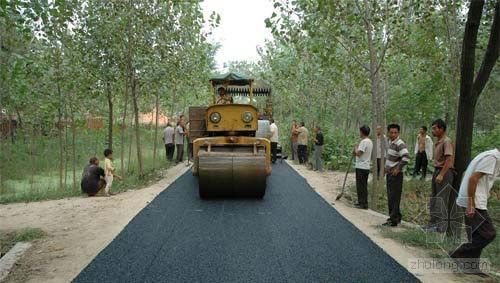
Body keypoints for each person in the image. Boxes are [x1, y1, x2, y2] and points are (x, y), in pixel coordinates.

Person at [450, 148, 499, 277]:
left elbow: (468, 173)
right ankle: (459, 253)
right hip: (474, 201)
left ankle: (471, 267)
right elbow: (473, 179)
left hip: (472, 199)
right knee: (488, 234)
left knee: (477, 234)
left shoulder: (488, 155)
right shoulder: (492, 158)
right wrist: (471, 204)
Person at [426, 119, 454, 233]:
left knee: (441, 199)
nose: (433, 130)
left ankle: (440, 227)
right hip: (437, 170)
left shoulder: (447, 141)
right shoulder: (438, 141)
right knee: (434, 198)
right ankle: (432, 223)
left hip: (444, 172)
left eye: (434, 128)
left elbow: (449, 159)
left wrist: (442, 174)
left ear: (441, 129)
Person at [383, 124, 410, 227]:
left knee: (393, 197)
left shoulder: (399, 143)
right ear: (388, 132)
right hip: (390, 174)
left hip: (396, 176)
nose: (393, 134)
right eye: (391, 132)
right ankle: (396, 217)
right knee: (392, 197)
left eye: (395, 132)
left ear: (398, 133)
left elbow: (406, 157)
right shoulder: (390, 142)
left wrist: (398, 168)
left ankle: (393, 220)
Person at [353, 125, 373, 209]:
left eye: (360, 131)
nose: (359, 133)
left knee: (361, 186)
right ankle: (363, 202)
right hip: (366, 166)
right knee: (363, 185)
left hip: (361, 166)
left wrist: (355, 148)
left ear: (362, 132)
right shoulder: (370, 141)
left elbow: (359, 153)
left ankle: (362, 203)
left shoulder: (364, 141)